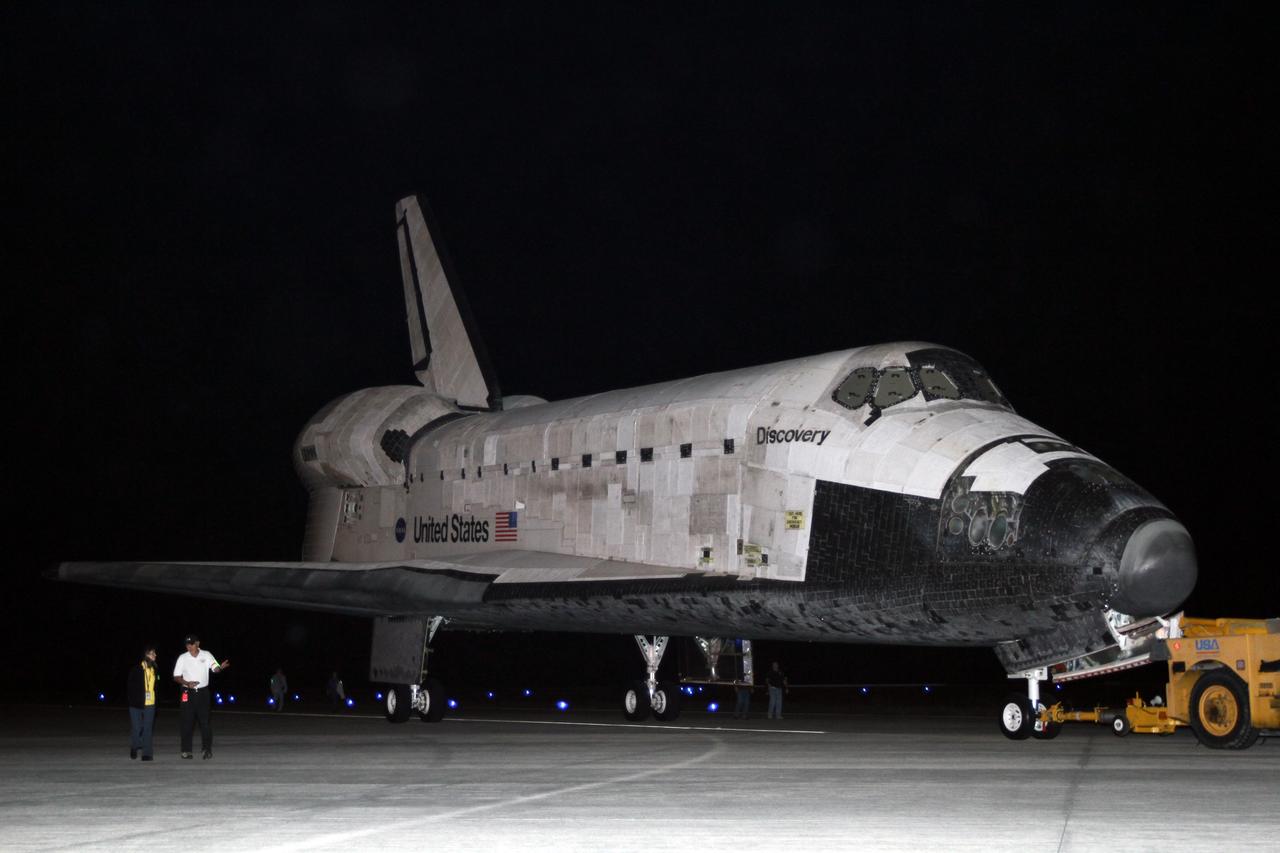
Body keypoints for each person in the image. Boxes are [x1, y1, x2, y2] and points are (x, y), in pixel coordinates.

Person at [172, 634, 230, 759]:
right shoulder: (182, 657)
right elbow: (176, 676)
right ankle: (186, 750)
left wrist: (220, 668)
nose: (189, 647)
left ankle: (206, 750)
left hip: (203, 693)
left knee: (205, 723)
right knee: (187, 722)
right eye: (187, 644)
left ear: (198, 643)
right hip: (187, 693)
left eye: (191, 644)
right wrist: (187, 683)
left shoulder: (206, 654)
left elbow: (215, 668)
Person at [127, 644, 158, 761]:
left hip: (150, 703)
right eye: (152, 653)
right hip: (136, 704)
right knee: (137, 727)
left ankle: (147, 753)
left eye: (155, 653)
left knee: (148, 728)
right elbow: (130, 687)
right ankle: (134, 746)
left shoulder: (154, 669)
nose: (155, 655)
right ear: (146, 655)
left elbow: (155, 686)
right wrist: (133, 701)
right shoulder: (136, 669)